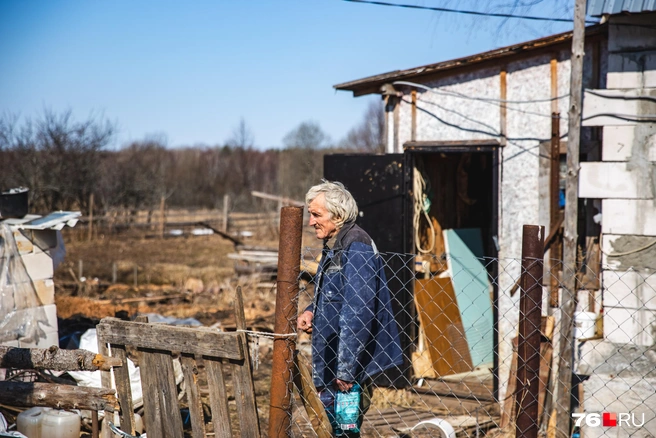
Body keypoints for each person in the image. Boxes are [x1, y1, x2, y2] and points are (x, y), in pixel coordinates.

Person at [297, 180, 403, 437]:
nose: (311, 222)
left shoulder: (356, 245)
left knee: (343, 432)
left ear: (339, 215)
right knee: (332, 431)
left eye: (316, 214)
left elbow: (358, 311)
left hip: (347, 372)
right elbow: (333, 295)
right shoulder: (335, 245)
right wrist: (312, 310)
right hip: (334, 364)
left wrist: (346, 371)